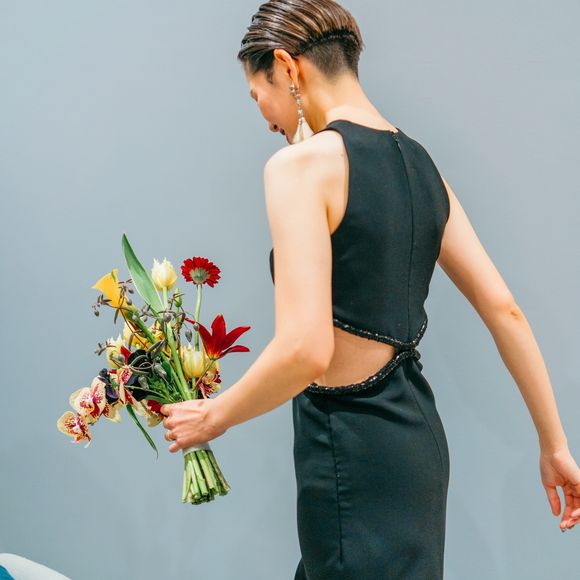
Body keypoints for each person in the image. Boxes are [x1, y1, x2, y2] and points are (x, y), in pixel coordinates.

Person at [159, 1, 580, 577]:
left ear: (286, 67)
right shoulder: (423, 167)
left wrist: (214, 417)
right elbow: (505, 310)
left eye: (258, 96)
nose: (266, 120)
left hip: (348, 450)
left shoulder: (300, 168)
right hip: (417, 445)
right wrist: (555, 447)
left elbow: (306, 350)